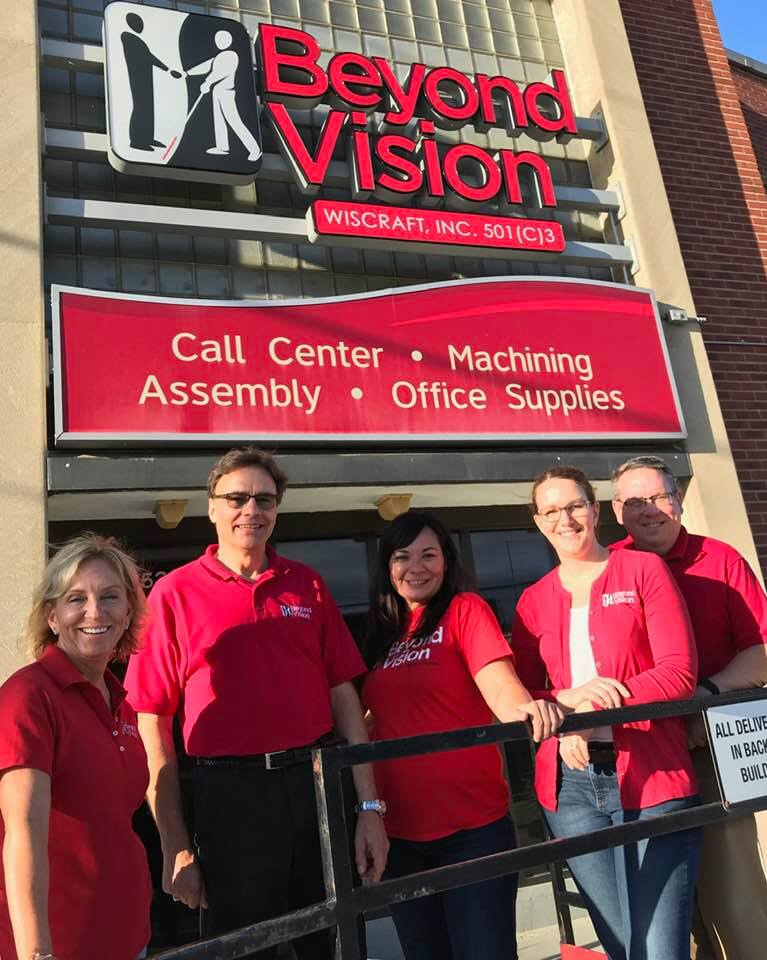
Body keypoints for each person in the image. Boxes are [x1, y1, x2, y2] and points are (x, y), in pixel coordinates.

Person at [124, 446, 388, 959]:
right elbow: (152, 725)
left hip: (317, 784)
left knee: (332, 941)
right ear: (213, 507)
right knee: (243, 950)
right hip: (229, 797)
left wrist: (370, 808)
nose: (252, 510)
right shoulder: (173, 595)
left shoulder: (307, 584)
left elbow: (345, 700)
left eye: (264, 499)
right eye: (237, 498)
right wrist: (174, 842)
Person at [513, 466, 701, 960]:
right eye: (551, 510)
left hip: (652, 776)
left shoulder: (643, 571)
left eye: (575, 506)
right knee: (619, 949)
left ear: (596, 511)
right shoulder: (531, 602)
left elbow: (679, 673)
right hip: (570, 789)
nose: (565, 519)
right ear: (538, 521)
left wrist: (593, 707)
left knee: (660, 950)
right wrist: (568, 703)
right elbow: (527, 693)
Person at [362, 511, 562, 960]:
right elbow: (370, 722)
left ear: (447, 562)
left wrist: (528, 707)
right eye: (403, 556)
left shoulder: (464, 610)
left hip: (471, 831)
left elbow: (500, 685)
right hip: (400, 837)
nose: (417, 567)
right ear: (387, 568)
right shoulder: (383, 637)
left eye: (429, 555)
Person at [610, 455, 767, 960]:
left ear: (677, 500)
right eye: (635, 501)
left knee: (732, 895)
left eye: (658, 497)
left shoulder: (719, 559)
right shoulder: (606, 568)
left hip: (709, 746)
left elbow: (762, 650)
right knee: (671, 907)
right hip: (638, 757)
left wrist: (707, 696)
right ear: (616, 510)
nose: (649, 510)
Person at [0, 534, 151, 960]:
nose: (94, 611)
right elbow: (23, 835)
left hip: (128, 938)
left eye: (110, 597)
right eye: (75, 599)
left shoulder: (122, 703)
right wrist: (37, 954)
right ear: (52, 616)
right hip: (59, 948)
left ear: (127, 613)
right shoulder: (28, 697)